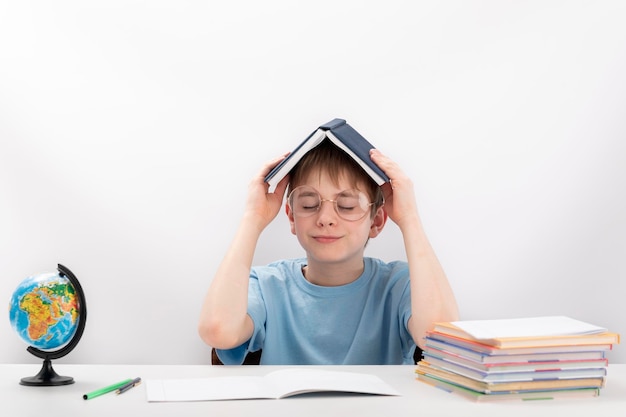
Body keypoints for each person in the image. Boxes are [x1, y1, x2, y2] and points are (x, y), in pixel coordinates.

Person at [198, 139, 459, 364]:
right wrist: (252, 218)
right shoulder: (266, 286)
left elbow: (441, 337)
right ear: (291, 217)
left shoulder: (398, 285)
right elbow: (218, 331)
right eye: (309, 204)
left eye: (346, 205)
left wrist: (409, 217)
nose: (325, 218)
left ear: (377, 221)